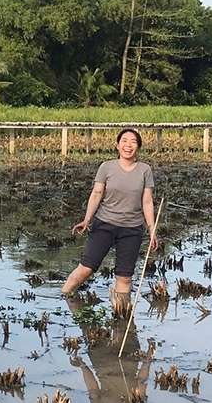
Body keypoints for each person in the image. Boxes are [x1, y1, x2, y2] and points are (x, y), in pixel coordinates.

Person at [61, 128, 159, 307]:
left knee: (125, 277)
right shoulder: (106, 167)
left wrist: (152, 230)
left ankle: (121, 318)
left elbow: (146, 201)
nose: (128, 145)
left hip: (132, 229)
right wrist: (87, 219)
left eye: (133, 142)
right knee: (86, 269)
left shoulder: (145, 170)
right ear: (117, 145)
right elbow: (97, 193)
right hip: (105, 224)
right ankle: (64, 298)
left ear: (138, 147)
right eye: (124, 141)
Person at [65, 293, 152, 403]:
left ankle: (71, 294)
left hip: (102, 362)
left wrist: (83, 366)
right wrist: (148, 360)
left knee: (84, 319)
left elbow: (92, 388)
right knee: (124, 319)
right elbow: (141, 381)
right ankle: (117, 291)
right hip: (129, 359)